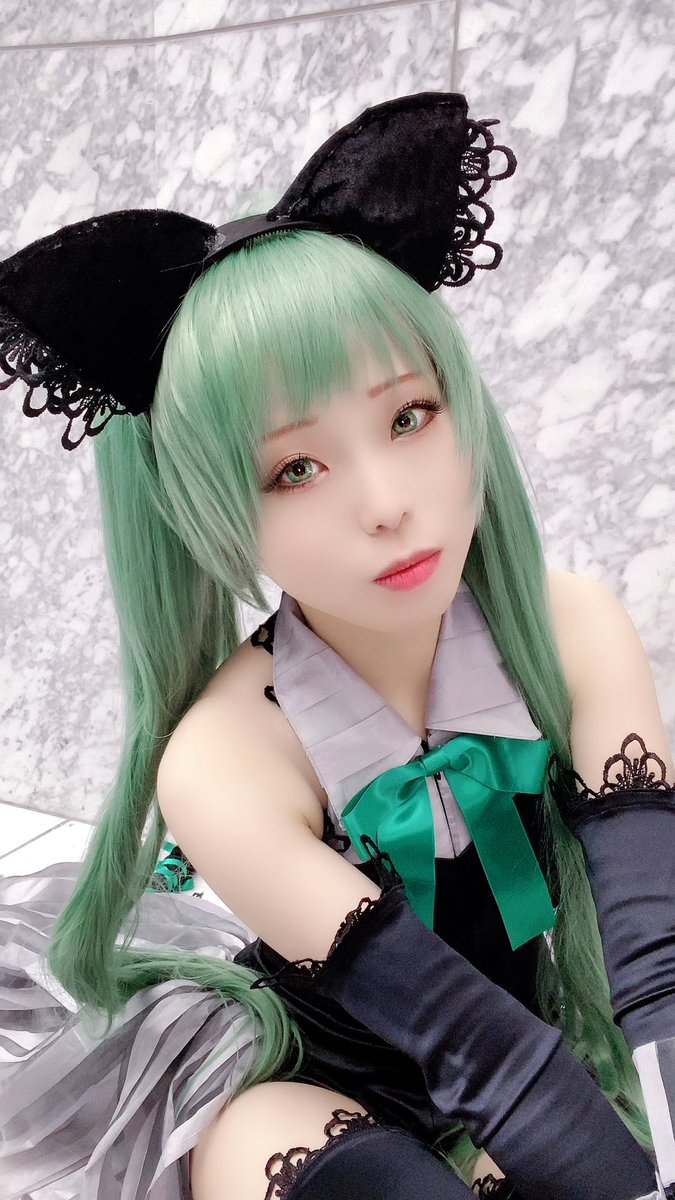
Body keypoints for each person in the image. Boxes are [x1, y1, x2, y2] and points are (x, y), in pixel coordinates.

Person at [0, 92, 673, 1200]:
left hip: (528, 1066)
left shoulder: (569, 626)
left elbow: (657, 960)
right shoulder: (223, 755)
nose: (386, 504)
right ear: (207, 510)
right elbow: (472, 1044)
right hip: (306, 1076)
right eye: (294, 469)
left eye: (409, 416)